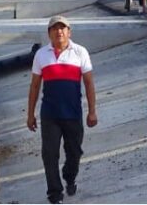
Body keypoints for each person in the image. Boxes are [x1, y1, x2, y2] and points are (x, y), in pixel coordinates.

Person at [27, 16, 97, 204]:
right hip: (50, 115)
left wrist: (92, 111)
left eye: (62, 28)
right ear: (49, 33)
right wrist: (30, 114)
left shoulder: (80, 52)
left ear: (69, 32)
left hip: (73, 114)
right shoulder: (41, 55)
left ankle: (70, 176)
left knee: (74, 153)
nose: (59, 32)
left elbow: (89, 83)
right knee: (49, 154)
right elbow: (34, 86)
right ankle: (55, 194)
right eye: (55, 29)